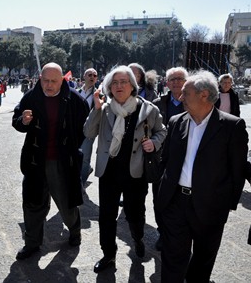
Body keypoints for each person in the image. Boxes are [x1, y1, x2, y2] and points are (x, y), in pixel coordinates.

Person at [157, 70, 248, 283]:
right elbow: (166, 160)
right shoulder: (176, 122)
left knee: (202, 262)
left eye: (185, 93)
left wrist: (226, 204)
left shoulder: (231, 126)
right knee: (172, 260)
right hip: (176, 203)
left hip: (211, 206)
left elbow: (238, 170)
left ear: (204, 95)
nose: (180, 98)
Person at [84, 65, 166, 272]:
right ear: (109, 87)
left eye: (123, 82)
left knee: (135, 214)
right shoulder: (104, 108)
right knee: (106, 216)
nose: (119, 86)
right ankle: (108, 255)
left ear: (133, 85)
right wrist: (95, 108)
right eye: (115, 83)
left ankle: (138, 238)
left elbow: (162, 132)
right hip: (109, 172)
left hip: (135, 174)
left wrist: (154, 143)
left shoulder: (148, 109)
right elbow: (88, 132)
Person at [12, 62, 89, 260]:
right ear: (40, 79)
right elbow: (17, 120)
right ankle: (32, 243)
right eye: (45, 80)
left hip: (62, 162)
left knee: (66, 203)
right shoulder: (32, 96)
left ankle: (75, 231)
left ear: (62, 80)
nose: (48, 85)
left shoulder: (76, 100)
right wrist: (24, 121)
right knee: (32, 203)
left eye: (53, 81)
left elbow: (84, 130)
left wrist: (70, 148)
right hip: (35, 161)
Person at [151, 67, 188, 250]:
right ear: (166, 82)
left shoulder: (193, 101)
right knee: (159, 197)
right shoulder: (158, 102)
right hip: (161, 158)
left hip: (186, 159)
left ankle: (180, 234)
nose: (175, 82)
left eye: (179, 78)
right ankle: (163, 232)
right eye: (171, 79)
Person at [78, 68, 98, 184]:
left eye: (95, 75)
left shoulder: (99, 94)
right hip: (76, 129)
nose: (92, 77)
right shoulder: (77, 92)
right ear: (84, 76)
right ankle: (84, 171)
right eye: (90, 74)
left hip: (89, 130)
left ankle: (81, 182)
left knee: (85, 157)